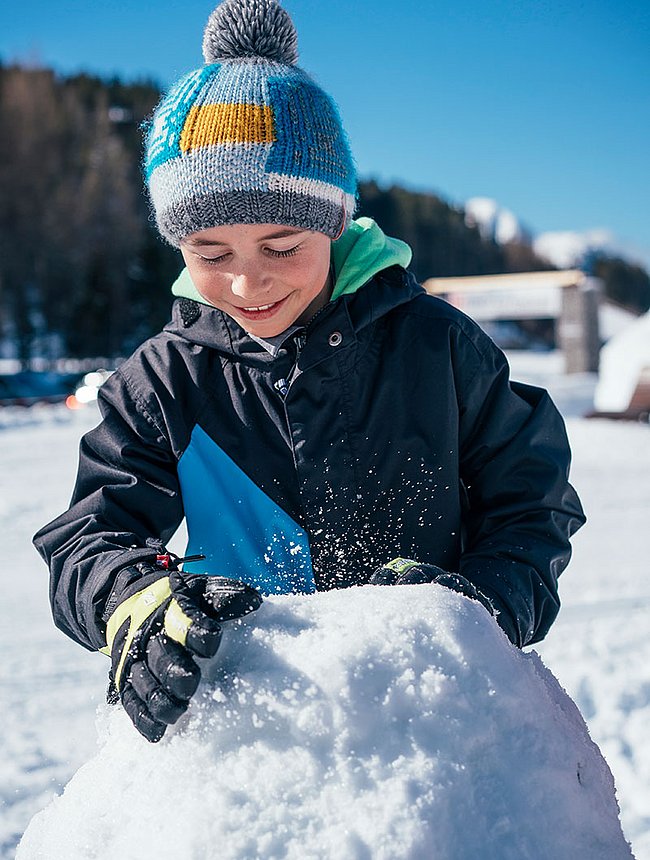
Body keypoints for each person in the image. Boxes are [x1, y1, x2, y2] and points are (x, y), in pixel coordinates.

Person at [34, 0, 585, 743]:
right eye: (211, 253)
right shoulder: (165, 379)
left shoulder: (439, 348)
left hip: (440, 716)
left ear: (333, 221)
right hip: (255, 730)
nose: (247, 283)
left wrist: (478, 606)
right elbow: (90, 537)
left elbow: (532, 505)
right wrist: (136, 600)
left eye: (283, 243)